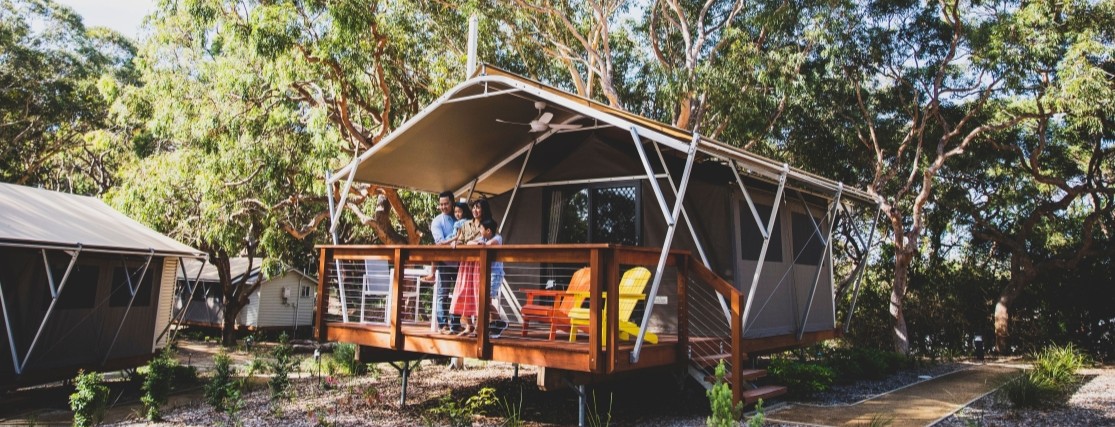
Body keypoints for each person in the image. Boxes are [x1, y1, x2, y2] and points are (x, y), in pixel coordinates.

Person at [449, 199, 492, 336]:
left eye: (478, 208)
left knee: (478, 293)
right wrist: (456, 243)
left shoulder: (488, 225)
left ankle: (480, 327)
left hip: (480, 262)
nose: (475, 210)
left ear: (483, 209)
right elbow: (460, 240)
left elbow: (491, 240)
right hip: (466, 263)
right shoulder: (465, 224)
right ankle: (469, 325)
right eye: (473, 208)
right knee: (462, 292)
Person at [429, 191, 459, 333]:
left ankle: (455, 324)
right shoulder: (437, 221)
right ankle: (442, 325)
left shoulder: (459, 216)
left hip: (460, 262)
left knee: (459, 293)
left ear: (452, 202)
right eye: (441, 204)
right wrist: (455, 240)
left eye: (446, 203)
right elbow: (440, 242)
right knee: (443, 294)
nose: (443, 206)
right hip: (445, 263)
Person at [476, 218, 508, 339]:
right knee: (484, 300)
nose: (479, 230)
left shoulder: (497, 238)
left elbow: (487, 245)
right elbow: (470, 243)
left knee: (485, 300)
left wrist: (480, 243)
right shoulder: (483, 238)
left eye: (481, 228)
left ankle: (498, 322)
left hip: (495, 273)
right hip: (487, 273)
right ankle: (497, 323)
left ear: (488, 230)